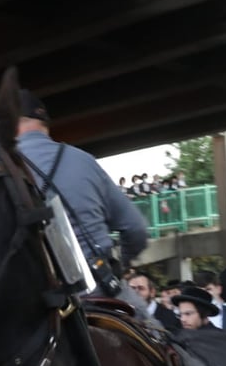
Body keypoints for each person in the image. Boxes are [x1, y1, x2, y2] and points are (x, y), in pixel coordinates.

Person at [12, 89, 149, 309]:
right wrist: (121, 262)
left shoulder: (0, 171)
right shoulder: (84, 161)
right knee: (160, 337)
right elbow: (136, 229)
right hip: (98, 291)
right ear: (45, 125)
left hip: (35, 303)